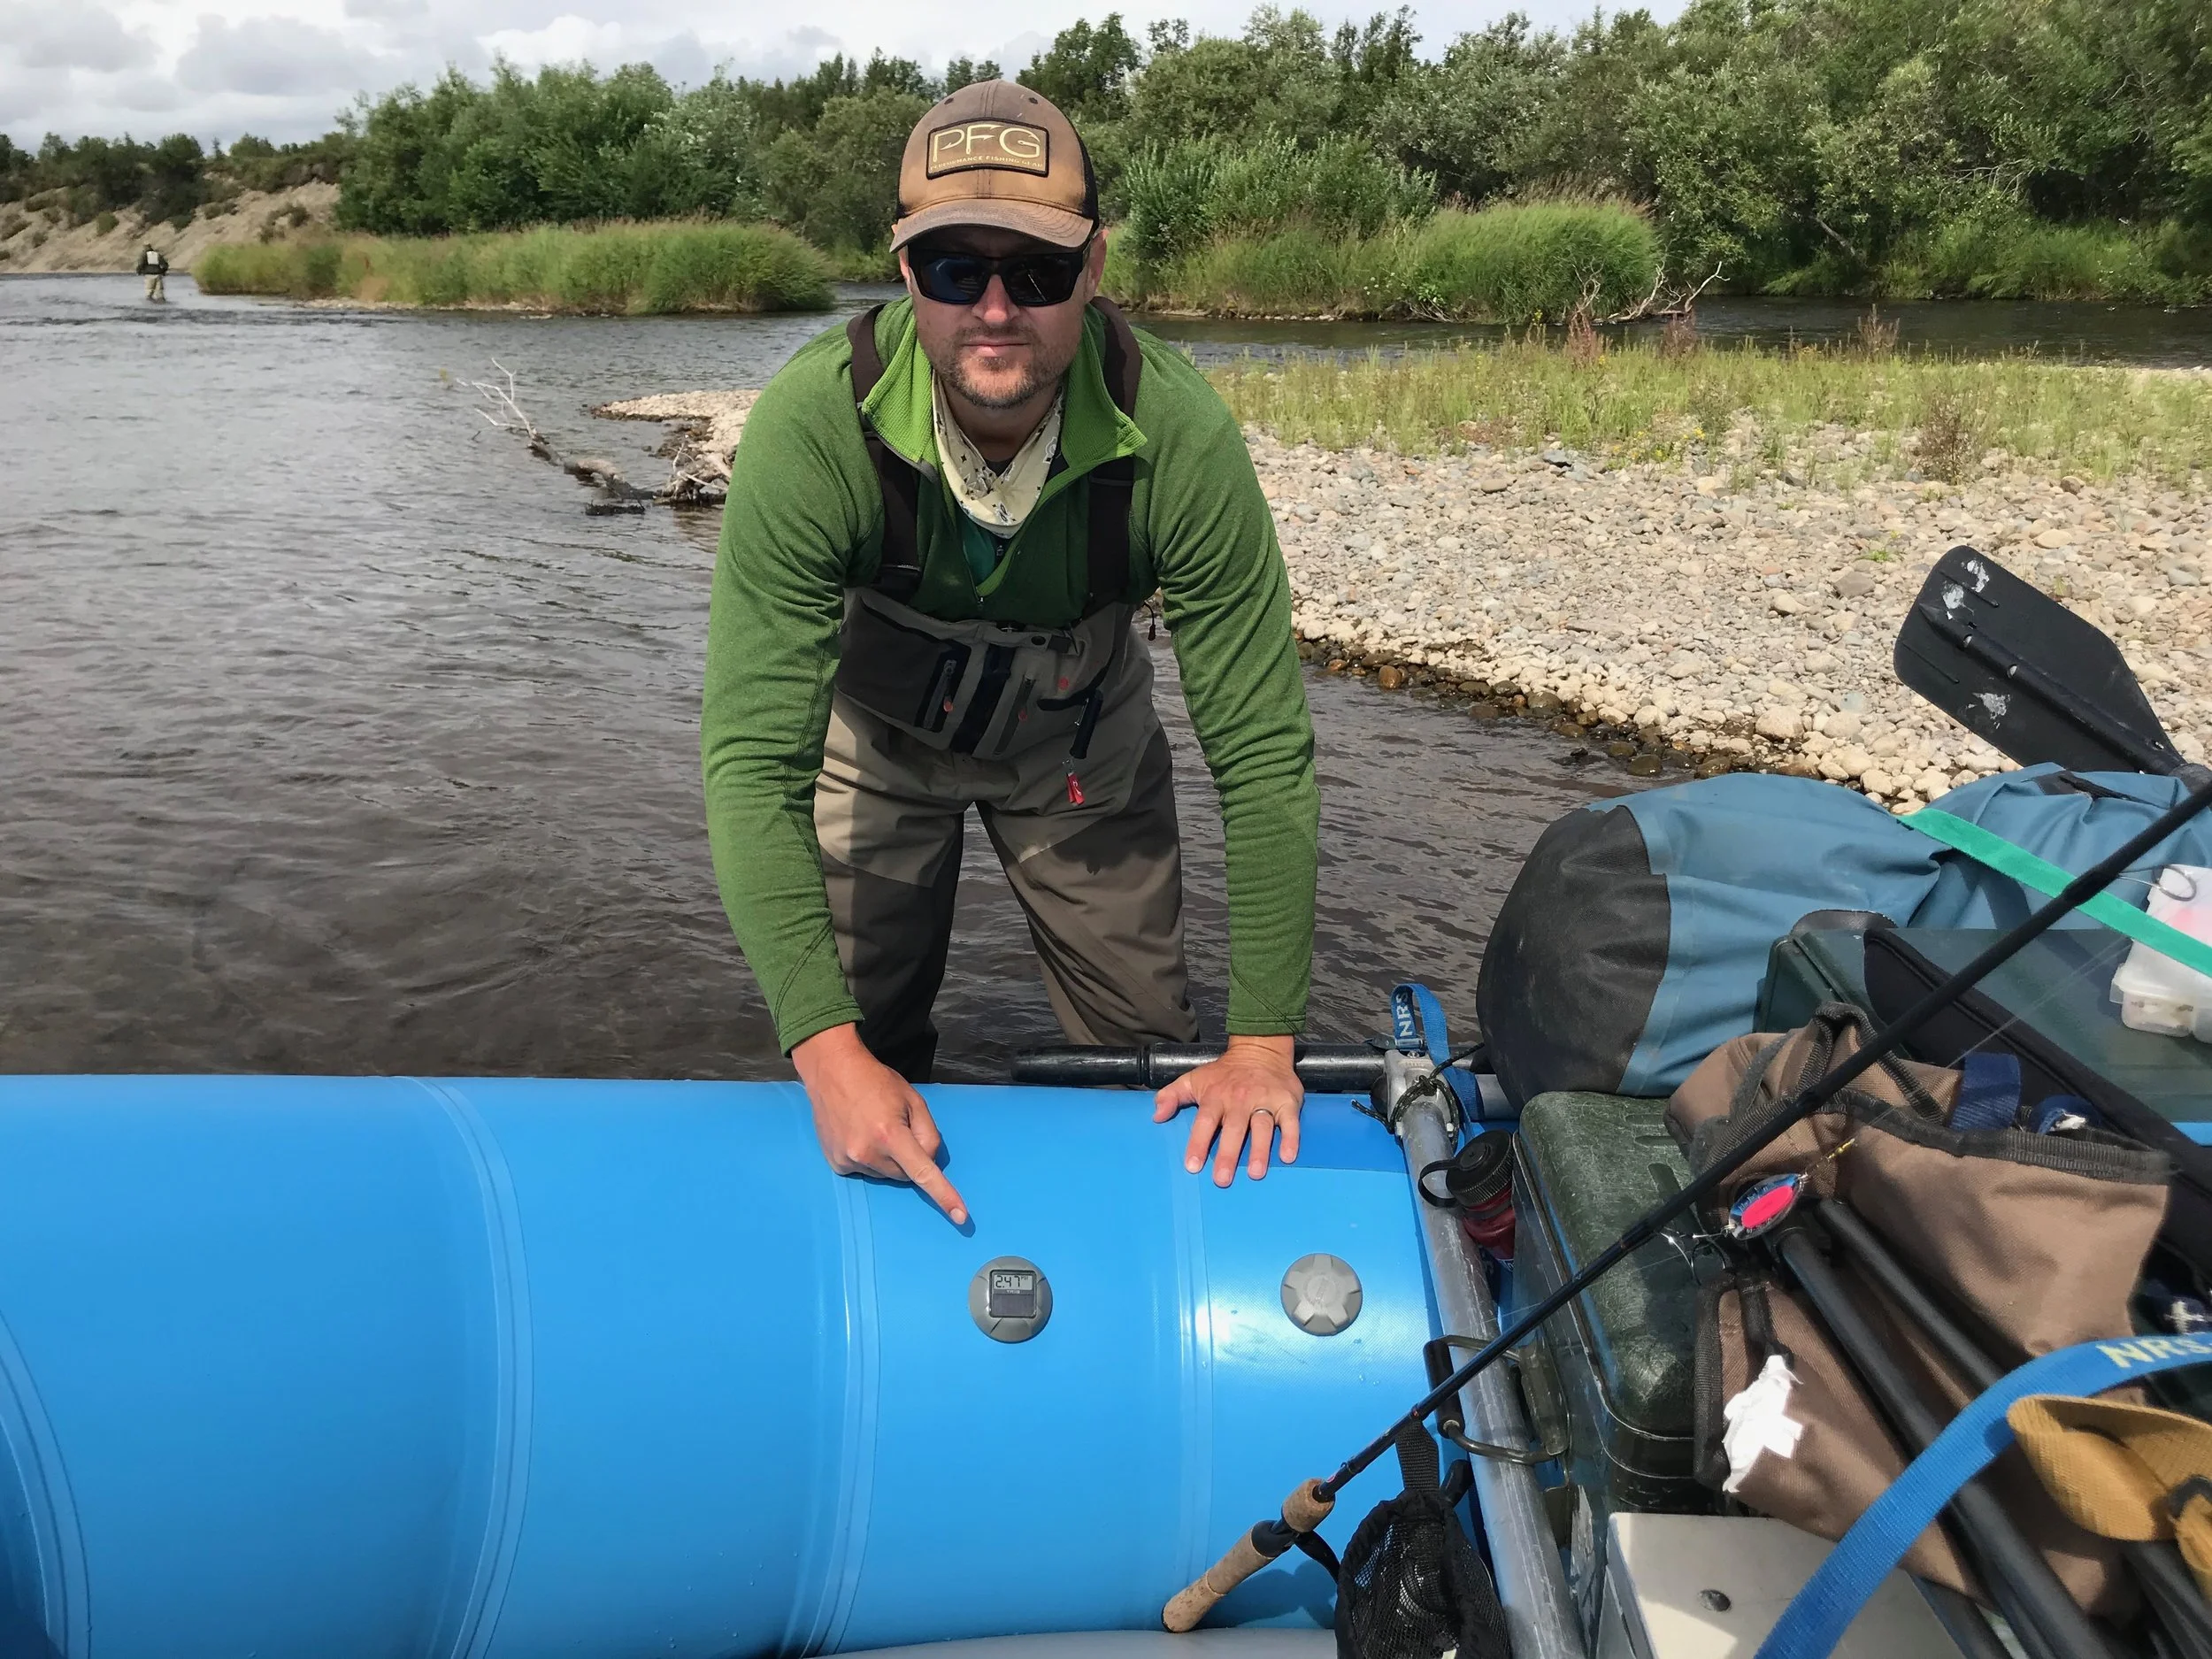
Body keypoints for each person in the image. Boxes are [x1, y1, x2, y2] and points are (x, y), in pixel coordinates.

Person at [703, 81, 1318, 1225]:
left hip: (1084, 759)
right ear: (903, 273)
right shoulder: (810, 426)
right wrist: (830, 1055)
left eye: (1034, 272)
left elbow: (1265, 754)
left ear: (1092, 269)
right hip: (876, 750)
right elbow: (751, 762)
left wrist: (1263, 1041)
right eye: (953, 270)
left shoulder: (1176, 435)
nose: (994, 308)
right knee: (852, 1039)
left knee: (1142, 1057)